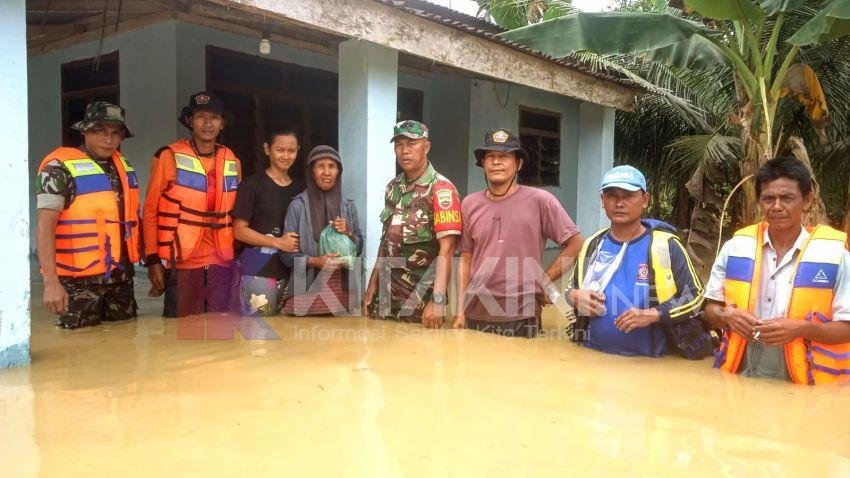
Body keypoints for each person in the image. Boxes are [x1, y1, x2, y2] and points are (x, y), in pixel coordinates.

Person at [705, 156, 850, 384]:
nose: (776, 206)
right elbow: (711, 310)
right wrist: (728, 316)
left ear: (808, 200)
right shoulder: (735, 248)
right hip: (740, 374)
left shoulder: (838, 257)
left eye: (787, 198)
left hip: (807, 383)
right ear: (759, 202)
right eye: (768, 198)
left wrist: (802, 329)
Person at [567, 165, 710, 358]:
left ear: (645, 200)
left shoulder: (666, 245)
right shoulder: (593, 244)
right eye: (612, 195)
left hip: (649, 363)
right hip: (593, 357)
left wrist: (653, 314)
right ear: (602, 201)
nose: (619, 203)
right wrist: (574, 297)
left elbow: (696, 296)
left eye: (628, 195)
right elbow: (571, 289)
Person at [452, 129, 583, 338]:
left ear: (519, 164)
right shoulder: (469, 204)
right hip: (476, 310)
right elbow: (466, 258)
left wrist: (544, 281)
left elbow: (576, 244)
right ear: (483, 163)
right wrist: (460, 311)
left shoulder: (541, 201)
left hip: (522, 312)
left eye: (504, 156)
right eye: (490, 157)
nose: (496, 162)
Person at [35, 101, 141, 329]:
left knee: (124, 345)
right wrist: (51, 282)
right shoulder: (58, 168)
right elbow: (45, 227)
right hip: (77, 284)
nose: (108, 139)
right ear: (84, 130)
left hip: (120, 280)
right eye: (99, 130)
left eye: (115, 132)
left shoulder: (123, 167)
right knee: (76, 350)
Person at [142, 92, 242, 317]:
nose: (208, 123)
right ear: (190, 121)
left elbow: (239, 214)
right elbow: (150, 211)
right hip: (182, 265)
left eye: (214, 117)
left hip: (221, 264)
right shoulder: (168, 156)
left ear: (222, 123)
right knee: (177, 338)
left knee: (220, 334)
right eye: (200, 116)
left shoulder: (232, 160)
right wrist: (152, 260)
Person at [363, 120, 463, 327]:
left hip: (420, 305)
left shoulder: (441, 189)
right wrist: (372, 285)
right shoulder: (393, 188)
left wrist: (437, 302)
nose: (404, 151)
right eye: (399, 144)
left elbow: (447, 250)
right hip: (385, 301)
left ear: (426, 147)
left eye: (411, 144)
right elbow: (385, 242)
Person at [281, 145, 363, 315]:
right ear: (311, 171)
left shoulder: (348, 206)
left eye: (332, 166)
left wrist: (349, 233)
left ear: (338, 172)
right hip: (306, 293)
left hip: (344, 295)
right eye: (320, 166)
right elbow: (285, 255)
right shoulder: (297, 206)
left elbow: (359, 248)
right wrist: (316, 261)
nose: (326, 172)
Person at [232, 129, 303, 316]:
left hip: (293, 272)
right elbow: (239, 231)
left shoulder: (301, 188)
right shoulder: (252, 186)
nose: (286, 156)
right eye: (280, 150)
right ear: (267, 149)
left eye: (291, 150)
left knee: (291, 337)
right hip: (260, 271)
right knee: (260, 334)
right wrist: (278, 242)